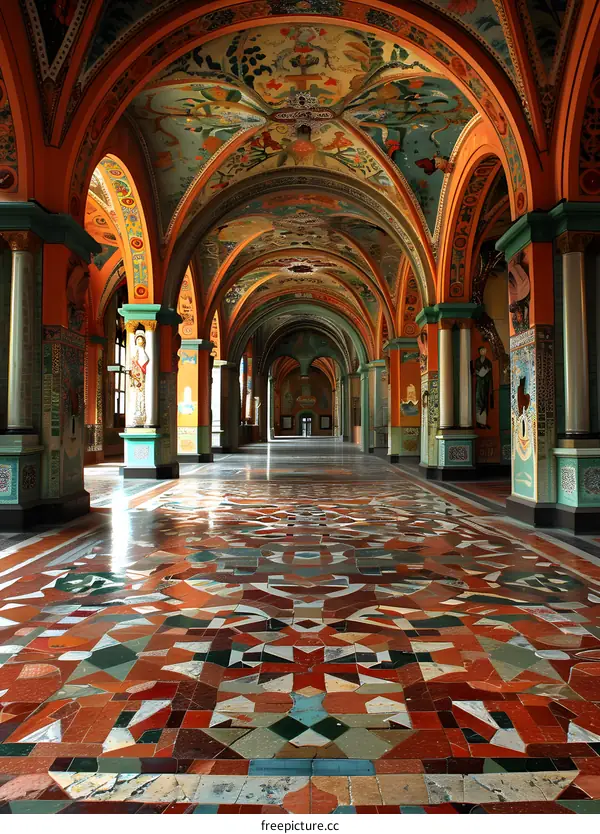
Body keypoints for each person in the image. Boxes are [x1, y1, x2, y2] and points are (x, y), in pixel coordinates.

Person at [130, 332, 149, 425]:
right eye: (137, 339)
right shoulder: (135, 350)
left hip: (143, 375)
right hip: (137, 375)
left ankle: (142, 415)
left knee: (142, 395)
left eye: (140, 339)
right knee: (137, 395)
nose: (139, 340)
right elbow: (133, 361)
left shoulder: (144, 350)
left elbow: (145, 360)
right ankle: (137, 415)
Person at [472, 345, 493, 429]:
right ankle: (478, 421)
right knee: (478, 401)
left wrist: (481, 373)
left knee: (484, 401)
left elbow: (485, 372)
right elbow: (477, 371)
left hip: (485, 384)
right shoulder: (477, 361)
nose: (483, 352)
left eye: (484, 350)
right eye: (481, 351)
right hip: (479, 384)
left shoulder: (488, 362)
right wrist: (480, 373)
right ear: (479, 352)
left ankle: (483, 422)